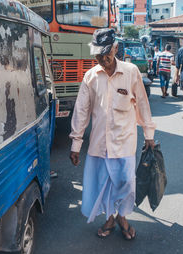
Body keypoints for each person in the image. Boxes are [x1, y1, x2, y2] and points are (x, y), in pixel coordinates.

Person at [69, 28, 156, 240]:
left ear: (115, 48)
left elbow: (142, 104)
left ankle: (122, 217)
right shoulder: (90, 76)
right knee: (102, 184)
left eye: (106, 53)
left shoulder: (131, 71)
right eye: (97, 54)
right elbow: (81, 110)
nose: (102, 58)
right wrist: (76, 144)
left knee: (125, 182)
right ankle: (110, 218)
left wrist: (149, 134)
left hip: (124, 142)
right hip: (99, 143)